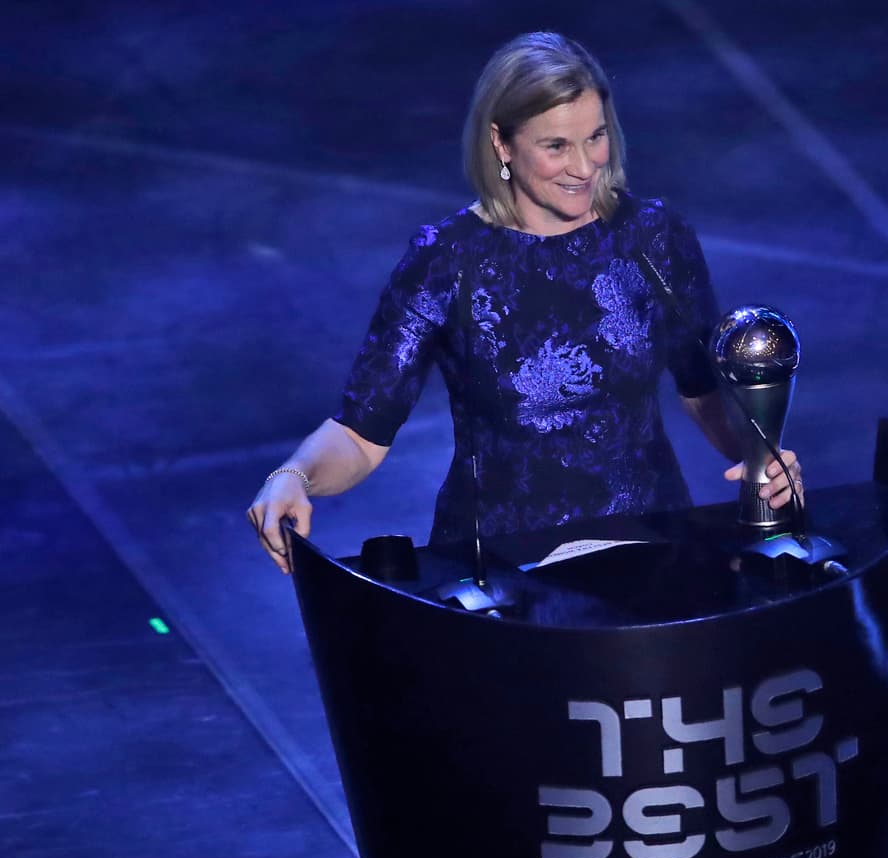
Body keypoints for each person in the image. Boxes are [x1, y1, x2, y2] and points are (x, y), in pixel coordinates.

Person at [247, 31, 801, 574]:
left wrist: (760, 460)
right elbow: (360, 434)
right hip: (506, 570)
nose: (585, 167)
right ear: (502, 143)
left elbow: (704, 390)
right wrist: (292, 476)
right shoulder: (447, 260)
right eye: (556, 146)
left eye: (596, 137)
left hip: (651, 552)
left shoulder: (654, 238)